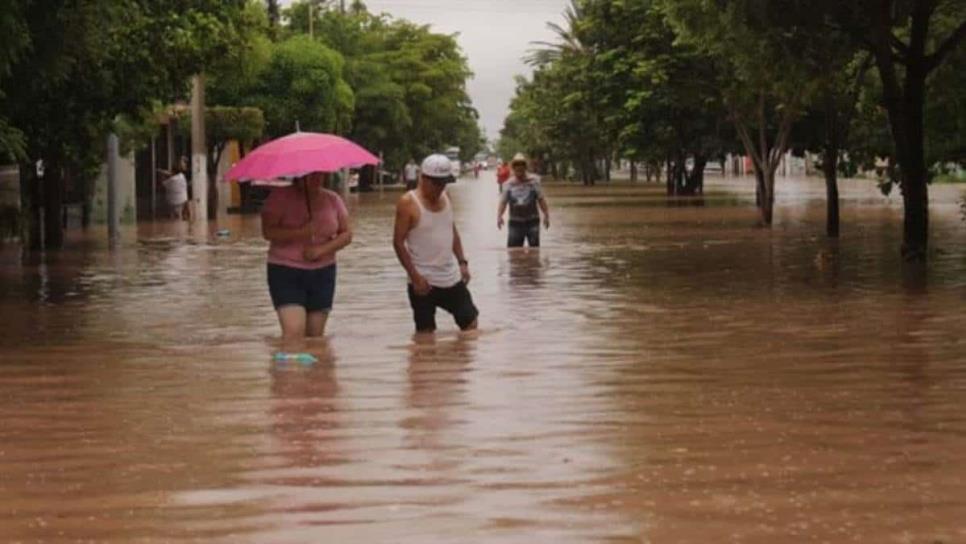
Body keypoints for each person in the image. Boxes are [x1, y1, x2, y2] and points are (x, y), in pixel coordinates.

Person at [261, 172, 352, 347]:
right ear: (298, 176)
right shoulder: (279, 198)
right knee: (293, 333)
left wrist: (321, 250)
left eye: (319, 175)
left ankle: (314, 374)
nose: (316, 179)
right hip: (286, 270)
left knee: (315, 337)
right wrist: (300, 232)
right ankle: (290, 373)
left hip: (323, 272)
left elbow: (347, 234)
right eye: (310, 175)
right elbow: (268, 232)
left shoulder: (332, 199)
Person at [393, 154, 479, 333]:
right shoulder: (408, 203)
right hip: (423, 280)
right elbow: (398, 243)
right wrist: (415, 277)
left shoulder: (446, 196)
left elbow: (451, 229)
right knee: (425, 337)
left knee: (471, 324)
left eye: (444, 183)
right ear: (423, 178)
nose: (440, 188)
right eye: (436, 183)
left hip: (450, 277)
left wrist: (462, 262)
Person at [497, 153, 550, 248]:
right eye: (517, 165)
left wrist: (546, 215)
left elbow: (541, 199)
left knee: (534, 251)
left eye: (521, 164)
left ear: (525, 167)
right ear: (513, 167)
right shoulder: (508, 184)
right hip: (515, 223)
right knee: (513, 253)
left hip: (532, 221)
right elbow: (503, 202)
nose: (519, 167)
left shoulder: (534, 181)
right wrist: (499, 216)